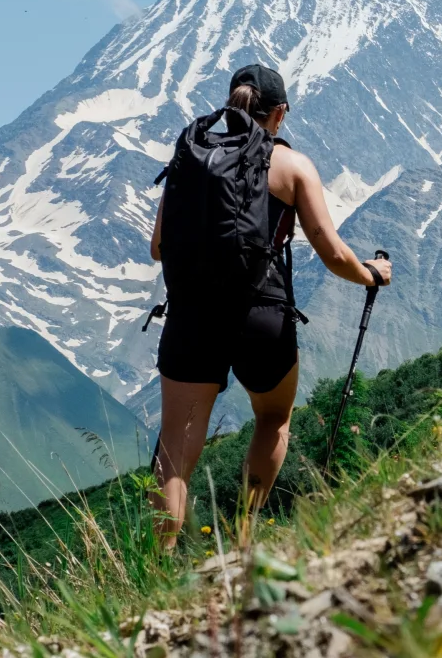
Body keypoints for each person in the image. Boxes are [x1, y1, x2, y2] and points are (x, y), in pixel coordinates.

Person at [147, 64, 393, 550]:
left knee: (175, 447)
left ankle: (155, 565)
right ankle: (240, 539)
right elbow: (332, 252)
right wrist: (371, 274)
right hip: (261, 314)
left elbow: (158, 247)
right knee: (274, 419)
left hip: (192, 318)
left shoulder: (191, 158)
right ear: (279, 113)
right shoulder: (293, 166)